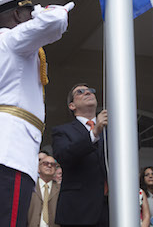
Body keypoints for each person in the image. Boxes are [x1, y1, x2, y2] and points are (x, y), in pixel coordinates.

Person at [0, 0, 73, 227]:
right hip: (8, 150)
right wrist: (43, 11)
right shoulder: (13, 39)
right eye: (28, 11)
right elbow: (55, 21)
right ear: (17, 15)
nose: (32, 15)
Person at [52, 83, 108, 227]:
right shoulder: (62, 131)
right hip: (77, 212)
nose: (88, 93)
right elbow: (64, 155)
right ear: (72, 105)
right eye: (81, 92)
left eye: (91, 91)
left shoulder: (110, 129)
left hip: (109, 211)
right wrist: (94, 133)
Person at [27, 155, 61, 227]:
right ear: (38, 168)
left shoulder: (60, 190)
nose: (49, 165)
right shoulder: (30, 187)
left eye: (53, 164)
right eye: (45, 163)